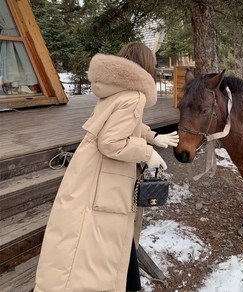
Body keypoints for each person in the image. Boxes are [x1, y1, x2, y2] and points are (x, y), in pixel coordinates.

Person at [34, 42, 179, 292]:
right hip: (105, 181)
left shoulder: (116, 91)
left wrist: (153, 136)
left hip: (92, 172)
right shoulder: (134, 96)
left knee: (104, 246)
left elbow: (124, 125)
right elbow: (111, 141)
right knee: (104, 248)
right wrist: (148, 153)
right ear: (147, 68)